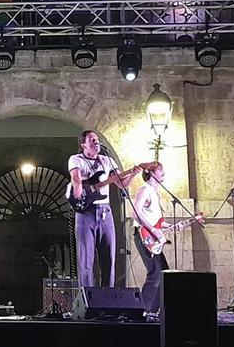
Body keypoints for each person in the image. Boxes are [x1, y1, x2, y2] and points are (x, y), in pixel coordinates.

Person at [68, 130, 134, 287]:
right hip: (86, 213)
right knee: (86, 260)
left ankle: (108, 298)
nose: (96, 142)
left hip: (105, 211)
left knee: (109, 258)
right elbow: (76, 178)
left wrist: (132, 174)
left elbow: (120, 183)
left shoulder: (107, 160)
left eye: (97, 139)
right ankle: (87, 299)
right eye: (92, 140)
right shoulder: (76, 159)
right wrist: (77, 191)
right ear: (83, 144)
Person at [131, 162, 169, 319]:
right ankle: (145, 311)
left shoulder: (154, 192)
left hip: (152, 237)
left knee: (164, 274)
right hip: (144, 236)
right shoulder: (145, 190)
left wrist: (170, 226)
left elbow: (155, 219)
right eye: (161, 171)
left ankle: (153, 312)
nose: (164, 174)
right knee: (155, 273)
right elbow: (136, 213)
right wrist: (153, 230)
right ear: (152, 173)